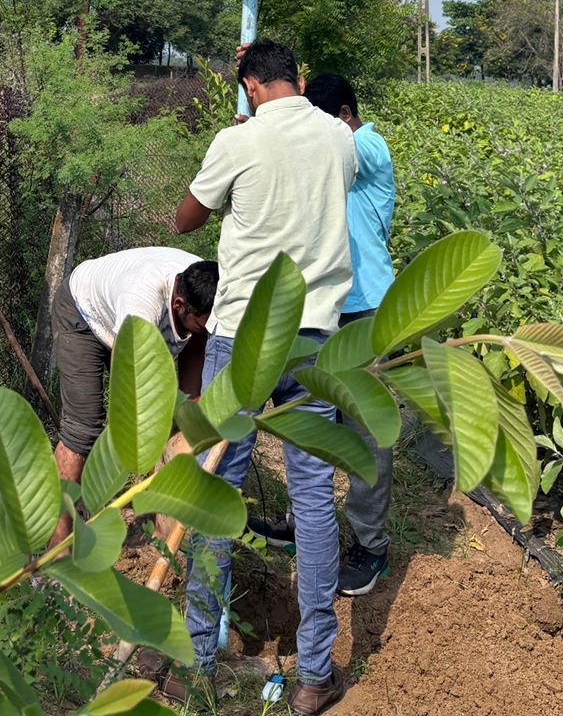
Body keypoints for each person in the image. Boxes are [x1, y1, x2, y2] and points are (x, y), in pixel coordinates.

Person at [151, 39, 358, 715]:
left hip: (240, 337)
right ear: (297, 79)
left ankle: (194, 665)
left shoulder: (236, 142)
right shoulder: (339, 138)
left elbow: (186, 218)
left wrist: (236, 150)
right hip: (314, 340)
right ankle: (313, 676)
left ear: (247, 86)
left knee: (215, 493)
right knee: (314, 500)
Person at [250, 73, 397, 597]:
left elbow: (344, 148)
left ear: (342, 114)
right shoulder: (326, 148)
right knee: (311, 422)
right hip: (321, 305)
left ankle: (370, 547)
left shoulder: (366, 144)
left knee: (364, 432)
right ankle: (304, 522)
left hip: (363, 309)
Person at [49, 247, 218, 542]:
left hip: (128, 322)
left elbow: (188, 397)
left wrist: (189, 415)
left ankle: (157, 529)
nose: (204, 330)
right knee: (83, 428)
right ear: (178, 305)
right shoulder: (141, 303)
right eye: (201, 324)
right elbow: (133, 391)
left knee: (181, 416)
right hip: (84, 314)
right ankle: (56, 546)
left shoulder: (205, 286)